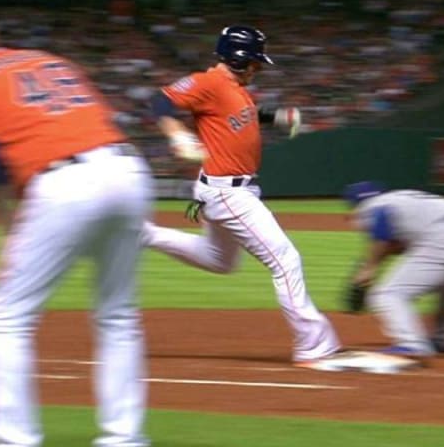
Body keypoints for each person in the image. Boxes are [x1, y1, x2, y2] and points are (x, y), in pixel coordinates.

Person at [0, 0, 153, 447]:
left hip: (66, 182)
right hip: (130, 171)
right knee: (117, 315)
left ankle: (13, 440)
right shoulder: (50, 60)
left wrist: (8, 231)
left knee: (6, 314)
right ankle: (124, 439)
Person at [143, 25, 342, 366]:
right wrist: (176, 133)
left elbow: (244, 114)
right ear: (239, 59)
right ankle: (314, 345)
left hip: (228, 189)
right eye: (255, 61)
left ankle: (143, 234)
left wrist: (276, 116)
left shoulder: (235, 87)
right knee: (286, 260)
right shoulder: (209, 82)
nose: (258, 68)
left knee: (219, 260)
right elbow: (159, 102)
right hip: (228, 193)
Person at [340, 182, 444, 357]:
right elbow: (398, 244)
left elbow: (382, 223)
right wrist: (373, 266)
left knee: (389, 294)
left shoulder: (372, 206)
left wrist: (369, 269)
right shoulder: (402, 197)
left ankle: (411, 343)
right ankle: (442, 338)